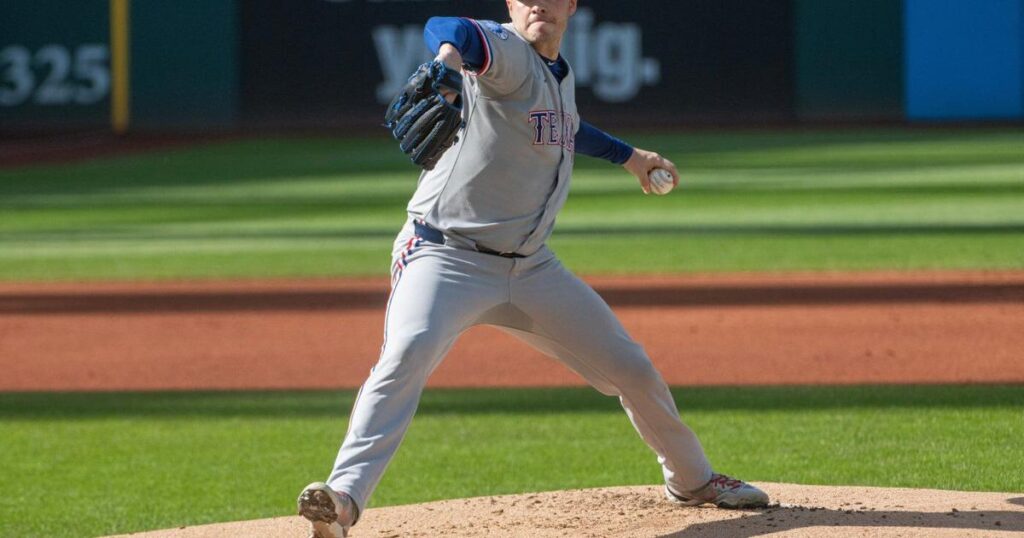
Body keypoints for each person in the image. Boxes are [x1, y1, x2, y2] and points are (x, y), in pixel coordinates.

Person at [297, 1, 768, 536]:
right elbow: (447, 28)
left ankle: (693, 480)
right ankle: (342, 500)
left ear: (572, 5)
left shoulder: (556, 74)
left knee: (631, 369)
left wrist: (629, 156)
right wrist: (449, 63)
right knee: (406, 354)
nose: (538, 3)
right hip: (444, 257)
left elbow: (565, 129)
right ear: (509, 5)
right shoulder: (508, 52)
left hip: (533, 268)